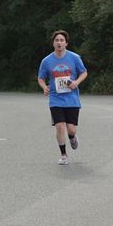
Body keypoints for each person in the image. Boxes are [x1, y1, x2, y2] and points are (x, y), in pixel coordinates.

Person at [37, 30, 89, 165]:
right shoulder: (46, 61)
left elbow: (84, 73)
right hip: (55, 99)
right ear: (53, 43)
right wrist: (44, 87)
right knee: (59, 127)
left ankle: (72, 137)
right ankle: (63, 155)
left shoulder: (74, 58)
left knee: (71, 129)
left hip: (72, 98)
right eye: (57, 40)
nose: (59, 42)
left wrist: (76, 82)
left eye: (61, 40)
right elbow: (41, 78)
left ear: (66, 43)